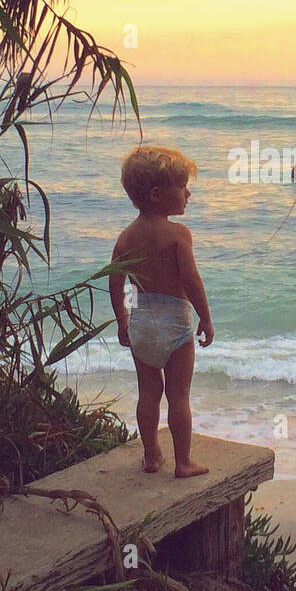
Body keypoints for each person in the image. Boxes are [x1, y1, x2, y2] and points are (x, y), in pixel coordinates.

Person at [109, 146, 213, 476]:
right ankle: (183, 461)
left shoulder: (126, 237)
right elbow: (191, 280)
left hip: (141, 322)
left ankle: (152, 455)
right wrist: (206, 317)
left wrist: (122, 321)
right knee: (179, 396)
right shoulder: (178, 235)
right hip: (175, 324)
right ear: (157, 194)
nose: (188, 193)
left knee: (148, 394)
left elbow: (115, 282)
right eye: (182, 188)